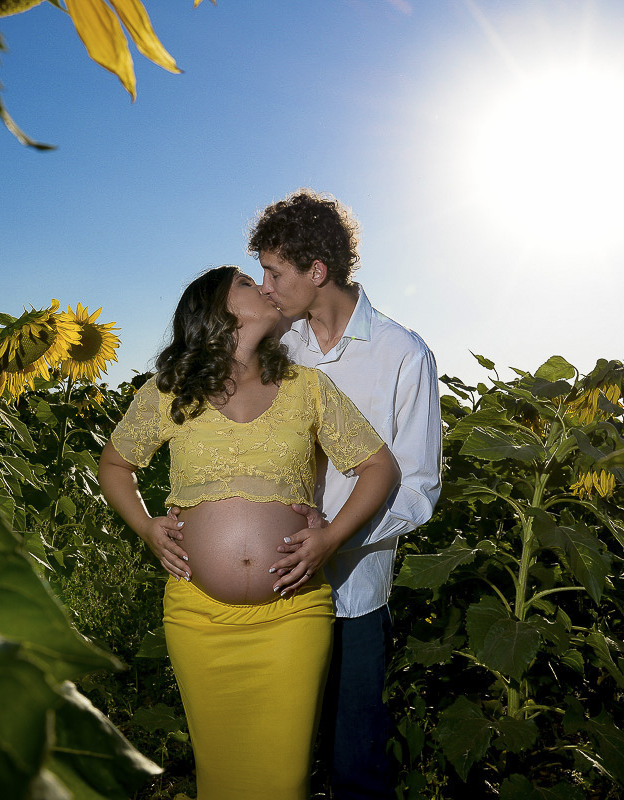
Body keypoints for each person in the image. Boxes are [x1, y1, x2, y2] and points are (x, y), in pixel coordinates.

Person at [98, 266, 400, 800]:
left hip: (293, 613)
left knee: (284, 781)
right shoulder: (170, 392)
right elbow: (115, 466)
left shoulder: (309, 388)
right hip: (197, 616)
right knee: (219, 777)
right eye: (245, 282)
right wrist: (147, 527)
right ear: (216, 309)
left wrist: (330, 538)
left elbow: (380, 468)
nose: (264, 286)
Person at [249, 190, 443, 799]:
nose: (265, 287)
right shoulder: (280, 351)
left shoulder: (402, 355)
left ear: (317, 271)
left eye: (274, 272)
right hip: (274, 584)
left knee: (355, 758)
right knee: (279, 755)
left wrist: (333, 538)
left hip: (354, 592)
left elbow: (418, 487)